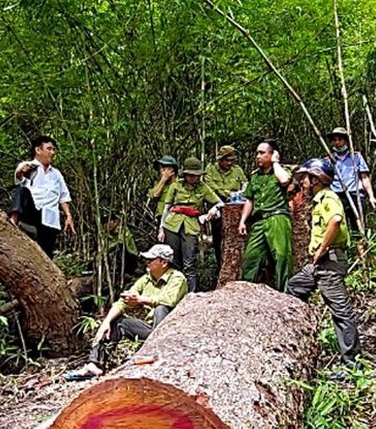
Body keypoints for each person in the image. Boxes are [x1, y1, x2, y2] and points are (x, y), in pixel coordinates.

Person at [65, 244, 188, 380]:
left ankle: (156, 353)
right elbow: (124, 301)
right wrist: (105, 323)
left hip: (171, 332)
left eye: (151, 259)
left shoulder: (177, 278)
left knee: (161, 308)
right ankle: (94, 365)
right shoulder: (146, 279)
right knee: (116, 323)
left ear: (164, 262)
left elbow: (169, 300)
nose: (147, 262)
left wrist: (141, 300)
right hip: (151, 330)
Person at [285, 158, 360, 379]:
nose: (303, 182)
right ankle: (300, 335)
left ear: (316, 178)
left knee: (341, 312)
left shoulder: (329, 197)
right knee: (295, 286)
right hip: (319, 266)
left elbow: (335, 220)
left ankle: (351, 365)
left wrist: (321, 249)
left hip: (329, 263)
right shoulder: (318, 199)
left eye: (306, 177)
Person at [158, 157, 222, 292]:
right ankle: (173, 293)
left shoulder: (203, 187)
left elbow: (219, 202)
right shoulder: (176, 186)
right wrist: (161, 228)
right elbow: (167, 207)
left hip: (191, 225)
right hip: (172, 224)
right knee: (173, 261)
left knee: (189, 262)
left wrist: (213, 209)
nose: (193, 178)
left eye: (196, 175)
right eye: (190, 175)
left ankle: (190, 295)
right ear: (184, 174)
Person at [238, 140, 293, 292]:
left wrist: (276, 162)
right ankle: (246, 293)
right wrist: (242, 221)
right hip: (259, 221)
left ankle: (285, 292)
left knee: (282, 256)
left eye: (262, 153)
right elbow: (250, 199)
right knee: (251, 257)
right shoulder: (255, 176)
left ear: (272, 154)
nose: (258, 156)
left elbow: (284, 181)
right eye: (257, 153)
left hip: (277, 217)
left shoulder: (281, 171)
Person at [9, 135, 75, 257]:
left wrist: (68, 216)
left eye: (54, 149)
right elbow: (19, 175)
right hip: (32, 212)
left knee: (46, 255)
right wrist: (22, 171)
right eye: (49, 149)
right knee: (23, 191)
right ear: (38, 150)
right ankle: (13, 222)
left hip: (50, 218)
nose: (52, 152)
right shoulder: (29, 166)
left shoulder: (56, 174)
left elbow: (63, 197)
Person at [327, 127, 376, 241]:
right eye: (335, 140)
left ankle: (362, 255)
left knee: (359, 229)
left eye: (340, 139)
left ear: (346, 141)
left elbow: (364, 177)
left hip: (355, 194)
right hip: (337, 196)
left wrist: (371, 197)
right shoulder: (329, 160)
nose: (337, 143)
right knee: (339, 227)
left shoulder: (356, 157)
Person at [203, 145, 248, 269]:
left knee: (236, 239)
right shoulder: (211, 170)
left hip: (236, 210)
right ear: (220, 160)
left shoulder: (237, 170)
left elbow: (245, 184)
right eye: (227, 160)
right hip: (218, 208)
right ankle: (220, 267)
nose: (230, 163)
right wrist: (227, 193)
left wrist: (240, 193)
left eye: (232, 160)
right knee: (219, 240)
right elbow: (209, 186)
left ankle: (237, 267)